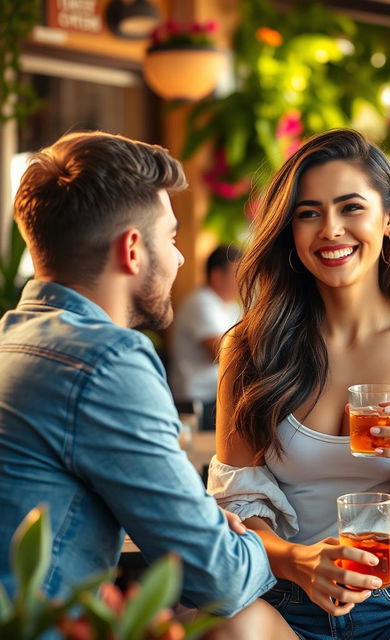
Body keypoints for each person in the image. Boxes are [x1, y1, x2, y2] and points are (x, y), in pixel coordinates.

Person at [0, 131, 297, 639]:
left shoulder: (12, 337)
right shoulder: (107, 360)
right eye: (173, 237)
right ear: (132, 249)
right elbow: (219, 577)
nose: (180, 258)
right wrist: (264, 549)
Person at [209, 128, 390, 640]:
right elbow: (234, 508)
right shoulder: (247, 346)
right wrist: (298, 561)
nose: (330, 229)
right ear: (289, 230)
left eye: (351, 207)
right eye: (309, 213)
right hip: (282, 588)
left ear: (389, 218)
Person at [170, 244, 242, 430]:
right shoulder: (201, 302)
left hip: (214, 398)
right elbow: (222, 352)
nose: (243, 281)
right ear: (217, 275)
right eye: (238, 274)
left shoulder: (229, 306)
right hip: (196, 403)